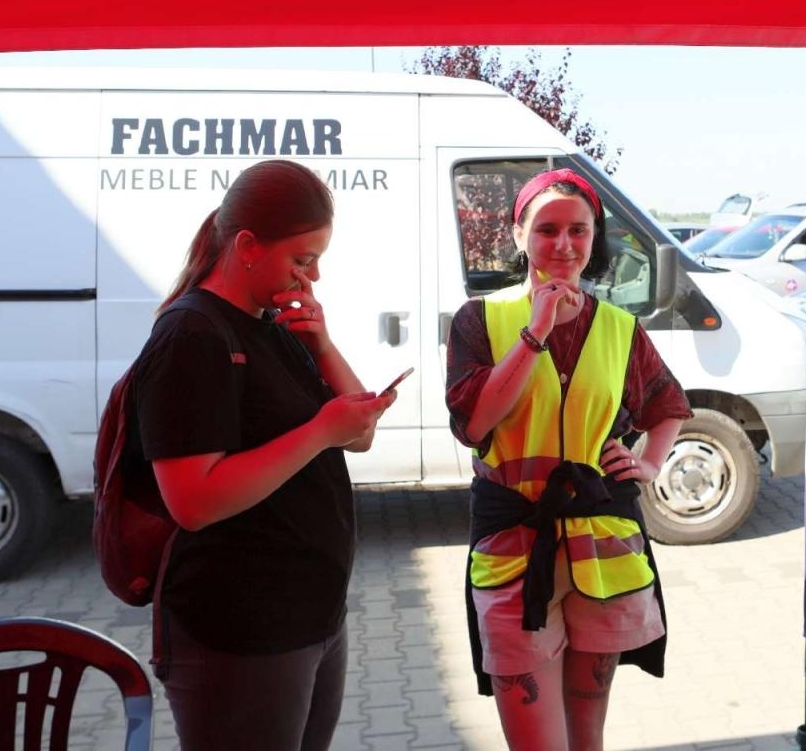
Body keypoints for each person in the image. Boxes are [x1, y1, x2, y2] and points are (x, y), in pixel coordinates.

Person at [129, 160, 395, 751]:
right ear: (247, 245)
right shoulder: (192, 335)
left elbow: (359, 430)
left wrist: (321, 344)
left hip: (310, 616)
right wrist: (320, 431)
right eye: (303, 259)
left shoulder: (270, 321)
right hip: (242, 629)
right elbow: (193, 500)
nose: (315, 276)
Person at [446, 168, 693, 751]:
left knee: (587, 737)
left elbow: (668, 404)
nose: (563, 245)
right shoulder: (480, 320)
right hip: (515, 550)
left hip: (601, 548)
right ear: (518, 236)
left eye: (578, 231)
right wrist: (535, 331)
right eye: (547, 229)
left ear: (594, 237)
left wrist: (649, 464)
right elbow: (475, 423)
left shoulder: (619, 328)